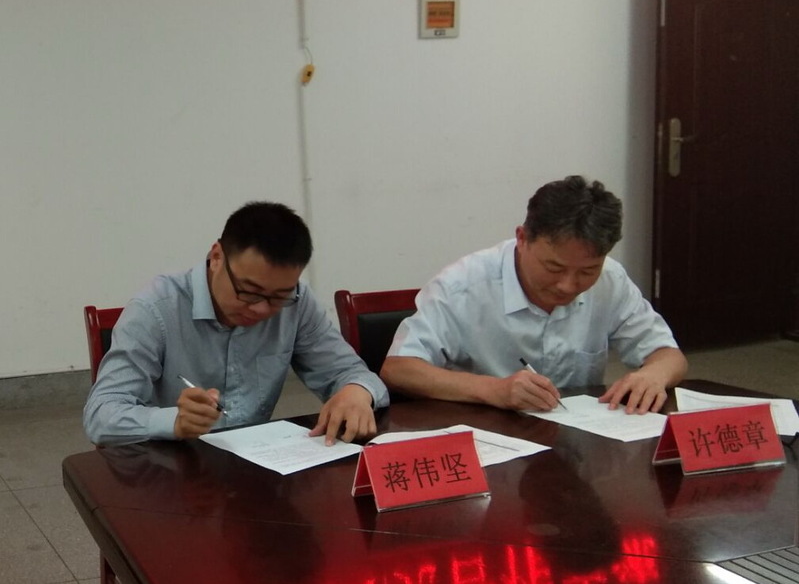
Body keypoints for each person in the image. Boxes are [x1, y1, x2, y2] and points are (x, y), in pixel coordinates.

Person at [84, 201, 389, 447]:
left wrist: (356, 391)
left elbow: (351, 373)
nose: (262, 309)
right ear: (217, 256)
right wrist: (174, 421)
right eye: (249, 291)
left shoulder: (297, 301)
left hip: (255, 465)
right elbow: (101, 414)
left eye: (278, 296)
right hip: (170, 465)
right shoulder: (155, 309)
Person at [381, 175, 687, 414]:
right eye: (554, 267)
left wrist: (654, 375)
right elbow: (399, 370)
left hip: (576, 439)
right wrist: (493, 390)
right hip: (484, 436)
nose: (568, 285)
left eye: (587, 271)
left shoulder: (611, 280)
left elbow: (669, 355)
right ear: (522, 238)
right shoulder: (462, 286)